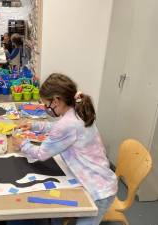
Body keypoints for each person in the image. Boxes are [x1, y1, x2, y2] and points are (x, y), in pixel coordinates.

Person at [13, 74, 117, 225]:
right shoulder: (77, 109)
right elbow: (57, 127)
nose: (46, 109)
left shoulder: (67, 124)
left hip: (98, 190)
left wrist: (22, 144)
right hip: (97, 178)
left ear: (56, 100)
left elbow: (41, 154)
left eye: (47, 105)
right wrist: (34, 125)